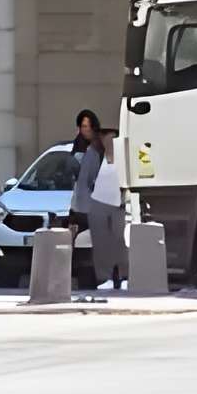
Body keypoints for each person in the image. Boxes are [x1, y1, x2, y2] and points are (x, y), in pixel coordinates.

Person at [71, 111, 128, 292]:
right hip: (98, 202)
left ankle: (124, 276)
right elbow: (85, 181)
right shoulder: (93, 152)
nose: (109, 140)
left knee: (119, 240)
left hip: (118, 203)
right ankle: (106, 277)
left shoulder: (122, 155)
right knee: (102, 243)